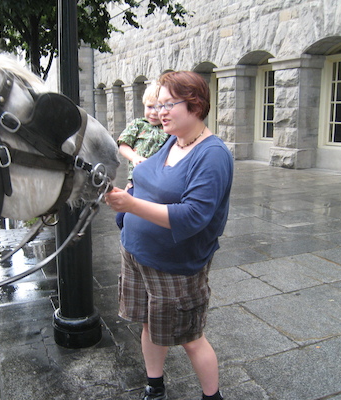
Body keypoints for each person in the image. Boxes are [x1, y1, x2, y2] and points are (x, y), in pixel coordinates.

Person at [105, 71, 233, 400]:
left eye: (168, 104)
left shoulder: (212, 155)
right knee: (149, 323)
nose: (160, 111)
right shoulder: (172, 140)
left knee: (190, 337)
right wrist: (126, 210)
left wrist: (131, 204)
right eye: (158, 104)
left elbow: (192, 217)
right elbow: (147, 177)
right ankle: (155, 386)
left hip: (174, 265)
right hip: (136, 253)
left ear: (196, 105)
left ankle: (212, 396)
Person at [115, 81, 169, 228]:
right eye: (150, 107)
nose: (153, 112)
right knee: (121, 217)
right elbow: (123, 145)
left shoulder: (169, 128)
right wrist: (134, 157)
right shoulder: (138, 124)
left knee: (150, 218)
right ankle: (127, 241)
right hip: (136, 182)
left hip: (159, 183)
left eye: (158, 108)